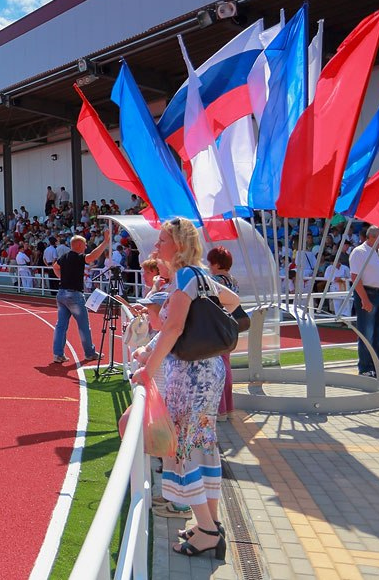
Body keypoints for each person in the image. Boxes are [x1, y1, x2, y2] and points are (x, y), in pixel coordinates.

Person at [130, 218, 240, 559]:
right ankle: (210, 523)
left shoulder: (185, 278)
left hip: (191, 377)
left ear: (177, 245)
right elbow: (232, 301)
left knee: (185, 448)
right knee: (201, 445)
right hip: (207, 372)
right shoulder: (201, 275)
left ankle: (206, 530)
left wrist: (147, 370)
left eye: (162, 240)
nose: (157, 245)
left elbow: (173, 328)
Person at [50, 226, 111, 363]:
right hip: (74, 295)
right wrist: (105, 242)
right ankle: (89, 353)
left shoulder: (64, 257)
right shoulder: (78, 257)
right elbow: (93, 257)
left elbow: (55, 267)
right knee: (83, 326)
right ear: (78, 245)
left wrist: (62, 278)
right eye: (84, 244)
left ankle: (58, 354)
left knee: (61, 325)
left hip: (62, 293)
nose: (85, 246)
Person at [348, 226, 379, 378]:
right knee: (367, 332)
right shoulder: (359, 252)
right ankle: (366, 368)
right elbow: (355, 278)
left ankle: (377, 366)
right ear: (372, 237)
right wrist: (364, 299)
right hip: (369, 293)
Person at [206, 246, 238, 421]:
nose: (209, 265)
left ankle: (221, 410)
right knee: (226, 367)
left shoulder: (215, 281)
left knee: (217, 370)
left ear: (217, 263)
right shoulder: (233, 280)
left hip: (216, 327)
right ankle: (228, 408)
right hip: (230, 326)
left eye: (211, 262)